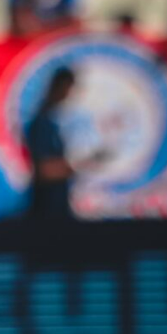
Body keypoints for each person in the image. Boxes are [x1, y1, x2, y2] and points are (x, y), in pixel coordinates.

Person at [23, 66, 106, 220]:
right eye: (68, 88)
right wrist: (82, 164)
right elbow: (45, 171)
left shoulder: (52, 123)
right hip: (46, 212)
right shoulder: (42, 124)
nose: (69, 94)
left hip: (58, 208)